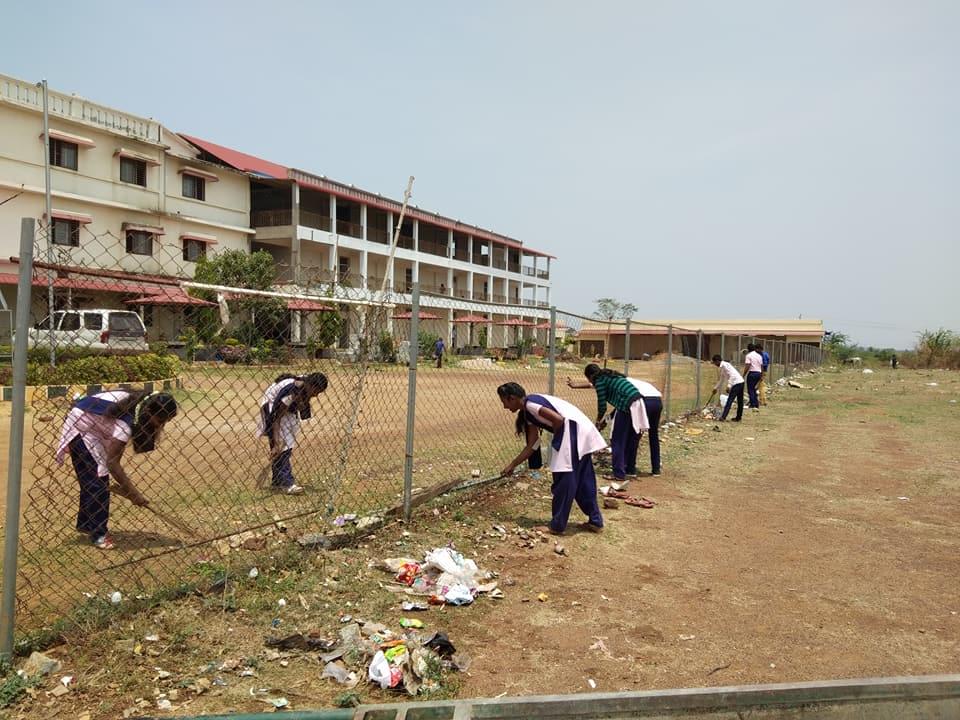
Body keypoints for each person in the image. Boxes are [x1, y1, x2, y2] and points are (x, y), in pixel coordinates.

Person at [55, 390, 179, 549]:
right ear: (149, 412)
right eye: (160, 420)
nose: (161, 425)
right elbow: (113, 463)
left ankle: (87, 524)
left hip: (92, 426)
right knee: (98, 482)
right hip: (81, 426)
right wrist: (133, 494)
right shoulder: (126, 423)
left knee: (93, 479)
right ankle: (98, 533)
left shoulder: (139, 406)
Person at [497, 382, 606, 535]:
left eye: (504, 402)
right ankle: (596, 521)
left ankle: (557, 525)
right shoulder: (529, 411)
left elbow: (558, 420)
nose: (505, 407)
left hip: (572, 432)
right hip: (580, 430)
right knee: (583, 479)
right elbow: (533, 444)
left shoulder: (530, 405)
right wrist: (513, 464)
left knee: (564, 480)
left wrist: (559, 441)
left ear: (512, 398)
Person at [567, 364, 662, 483]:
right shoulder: (615, 378)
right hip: (653, 401)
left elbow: (603, 405)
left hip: (641, 401)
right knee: (638, 436)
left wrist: (598, 421)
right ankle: (648, 469)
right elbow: (614, 410)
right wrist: (605, 422)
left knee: (618, 439)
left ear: (591, 377)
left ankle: (619, 473)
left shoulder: (602, 382)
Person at [259, 373, 328, 495]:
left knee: (287, 444)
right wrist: (275, 441)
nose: (316, 395)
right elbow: (275, 417)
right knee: (283, 447)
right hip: (272, 406)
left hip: (285, 409)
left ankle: (277, 482)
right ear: (311, 385)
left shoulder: (304, 385)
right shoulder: (291, 393)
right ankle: (287, 483)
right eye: (317, 391)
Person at [705, 354, 745, 421]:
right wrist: (715, 388)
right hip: (740, 382)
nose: (715, 364)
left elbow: (732, 375)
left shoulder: (725, 365)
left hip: (737, 383)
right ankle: (738, 417)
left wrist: (729, 386)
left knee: (730, 400)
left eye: (715, 363)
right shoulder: (722, 367)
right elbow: (721, 379)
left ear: (717, 361)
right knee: (740, 401)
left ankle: (723, 417)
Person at [743, 344, 764, 411]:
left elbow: (748, 365)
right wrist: (761, 375)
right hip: (758, 373)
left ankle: (752, 404)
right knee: (754, 389)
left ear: (748, 349)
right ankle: (756, 404)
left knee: (750, 389)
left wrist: (744, 374)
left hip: (752, 373)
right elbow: (762, 366)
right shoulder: (759, 356)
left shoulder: (748, 356)